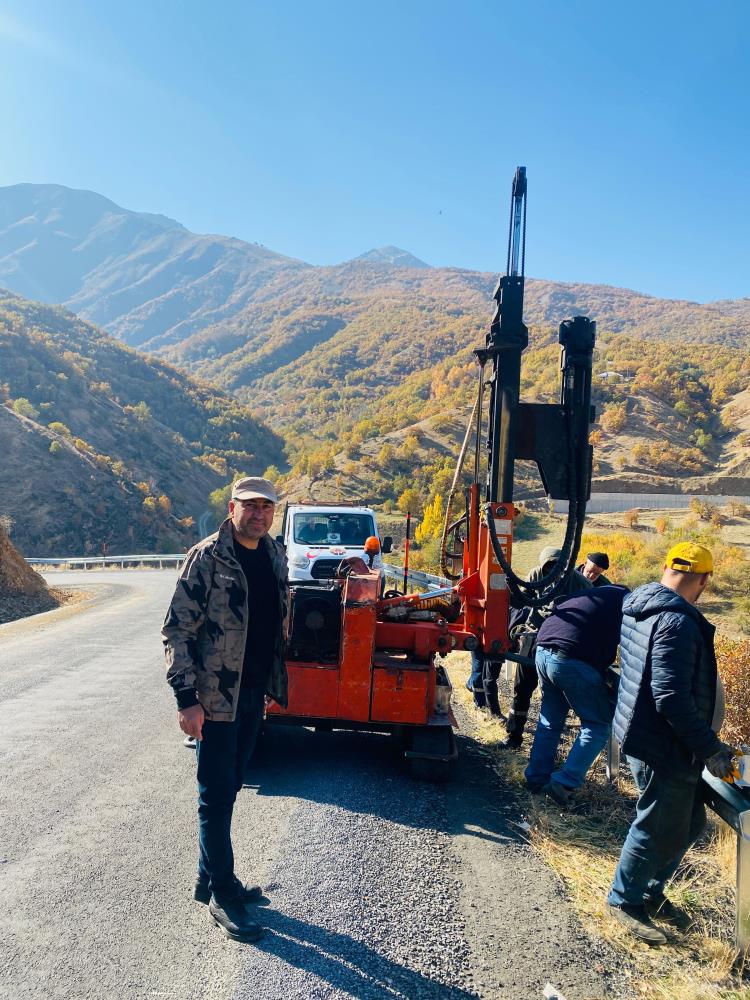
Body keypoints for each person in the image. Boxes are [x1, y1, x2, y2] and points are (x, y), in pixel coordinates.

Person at [162, 476, 288, 943]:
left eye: (266, 508)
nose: (258, 514)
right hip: (213, 700)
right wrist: (185, 699)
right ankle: (223, 896)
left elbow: (274, 621)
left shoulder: (274, 553)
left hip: (252, 692)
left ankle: (210, 879)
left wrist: (273, 680)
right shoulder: (207, 557)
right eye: (250, 506)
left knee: (230, 785)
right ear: (232, 507)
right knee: (215, 796)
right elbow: (176, 630)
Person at [606, 542, 735, 946]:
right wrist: (711, 747)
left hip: (642, 730)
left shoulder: (638, 605)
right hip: (664, 741)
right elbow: (671, 696)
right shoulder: (677, 621)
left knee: (689, 823)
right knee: (658, 825)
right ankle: (624, 901)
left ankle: (650, 890)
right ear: (703, 579)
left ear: (666, 567)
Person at [524, 585, 629, 804]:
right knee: (597, 725)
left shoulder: (595, 595)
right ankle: (563, 783)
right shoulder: (627, 603)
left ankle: (536, 778)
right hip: (572, 658)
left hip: (543, 651)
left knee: (550, 720)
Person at [500, 547, 592, 749]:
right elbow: (520, 602)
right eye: (548, 566)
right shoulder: (535, 574)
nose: (552, 571)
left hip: (561, 644)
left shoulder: (578, 581)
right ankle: (513, 737)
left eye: (556, 566)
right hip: (534, 638)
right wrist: (510, 587)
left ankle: (548, 743)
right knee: (522, 690)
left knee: (552, 696)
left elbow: (592, 609)